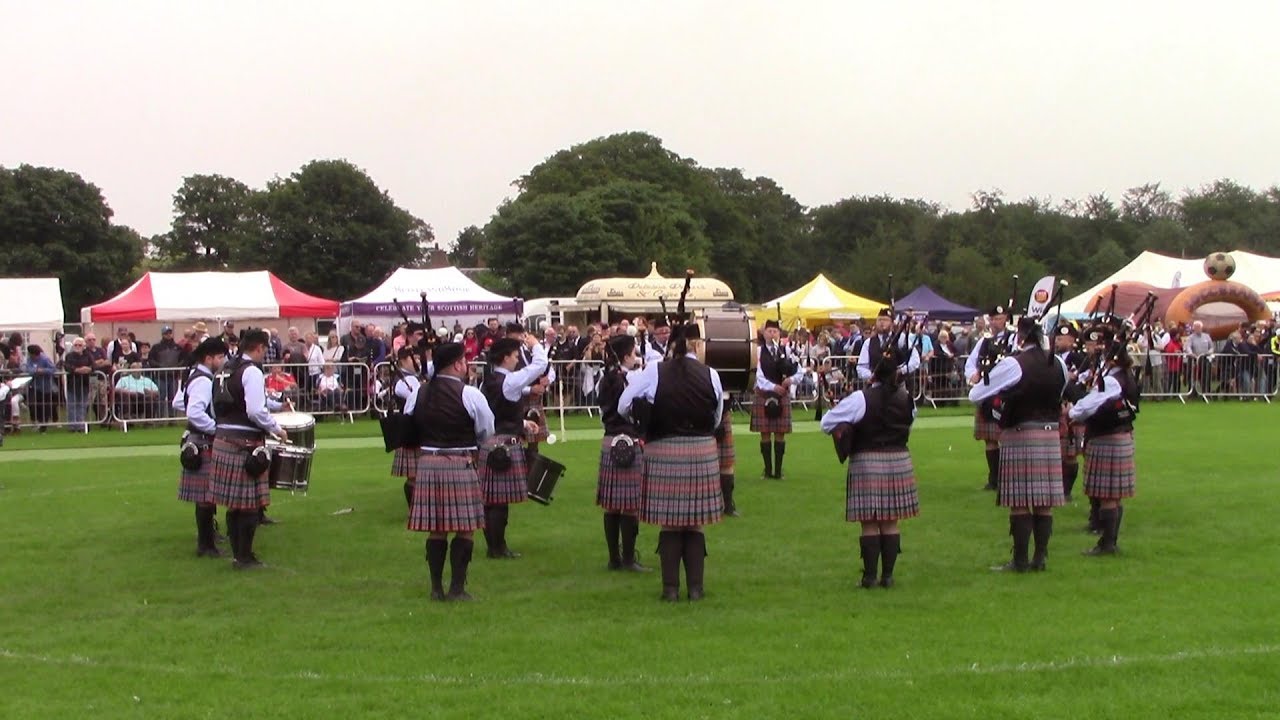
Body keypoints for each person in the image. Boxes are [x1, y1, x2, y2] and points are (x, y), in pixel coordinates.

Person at [619, 318, 723, 602]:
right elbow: (716, 417)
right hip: (701, 450)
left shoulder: (655, 370)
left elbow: (624, 404)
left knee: (670, 522)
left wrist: (643, 420)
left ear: (671, 345)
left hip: (663, 448)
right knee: (695, 522)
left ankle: (670, 590)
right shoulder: (711, 374)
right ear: (694, 345)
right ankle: (696, 590)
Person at [968, 316, 1067, 573]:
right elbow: (1061, 393)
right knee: (1044, 501)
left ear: (1020, 337)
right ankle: (1040, 558)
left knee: (1020, 500)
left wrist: (1001, 395)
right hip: (1050, 434)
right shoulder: (1059, 364)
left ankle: (1020, 561)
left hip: (1021, 433)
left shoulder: (1014, 363)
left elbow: (975, 394)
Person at [821, 341, 918, 589]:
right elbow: (908, 425)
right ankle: (888, 576)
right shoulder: (908, 399)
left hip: (867, 461)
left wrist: (848, 423)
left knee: (870, 521)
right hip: (899, 459)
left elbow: (826, 423)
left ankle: (870, 578)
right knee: (891, 520)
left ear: (873, 372)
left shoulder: (860, 398)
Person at [403, 342, 495, 601]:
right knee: (465, 528)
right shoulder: (470, 394)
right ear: (457, 364)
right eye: (464, 361)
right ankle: (456, 589)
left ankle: (436, 588)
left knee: (436, 528)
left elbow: (407, 423)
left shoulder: (418, 393)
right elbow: (487, 430)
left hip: (428, 463)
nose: (466, 366)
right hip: (460, 461)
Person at [209, 329, 287, 569]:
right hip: (244, 443)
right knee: (249, 505)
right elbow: (255, 410)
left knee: (234, 504)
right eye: (265, 350)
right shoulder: (251, 371)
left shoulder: (224, 368)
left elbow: (214, 406)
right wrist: (276, 428)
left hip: (222, 438)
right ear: (259, 348)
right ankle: (244, 557)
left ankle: (238, 555)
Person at [478, 334, 547, 559]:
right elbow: (540, 365)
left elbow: (494, 412)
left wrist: (523, 423)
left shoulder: (487, 381)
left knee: (491, 501)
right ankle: (497, 548)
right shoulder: (509, 380)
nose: (518, 360)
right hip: (506, 445)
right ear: (506, 357)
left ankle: (495, 546)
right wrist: (535, 345)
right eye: (516, 356)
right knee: (499, 502)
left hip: (489, 442)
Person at [1070, 331, 1139, 556]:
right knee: (1114, 496)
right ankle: (1110, 541)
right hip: (1122, 435)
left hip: (1106, 437)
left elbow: (1087, 406)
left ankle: (1107, 544)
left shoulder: (1110, 380)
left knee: (1108, 496)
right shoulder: (1127, 375)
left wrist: (1071, 412)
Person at [594, 334, 651, 572]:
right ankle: (628, 559)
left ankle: (614, 559)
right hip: (627, 439)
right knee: (629, 505)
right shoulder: (627, 380)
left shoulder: (605, 378)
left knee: (611, 505)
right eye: (634, 352)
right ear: (626, 355)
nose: (636, 357)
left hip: (609, 440)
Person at [173, 338, 229, 558]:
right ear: (209, 358)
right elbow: (194, 412)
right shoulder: (203, 380)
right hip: (203, 439)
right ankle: (205, 546)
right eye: (220, 357)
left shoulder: (194, 375)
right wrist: (216, 428)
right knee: (205, 497)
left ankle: (207, 541)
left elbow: (179, 402)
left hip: (197, 438)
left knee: (205, 496)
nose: (223, 361)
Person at [965, 306, 1014, 491]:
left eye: (999, 318)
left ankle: (1008, 477)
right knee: (989, 438)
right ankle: (994, 479)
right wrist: (973, 374)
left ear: (1006, 319)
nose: (995, 322)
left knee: (1007, 437)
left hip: (1006, 393)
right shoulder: (984, 341)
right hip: (987, 392)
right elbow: (971, 362)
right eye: (993, 319)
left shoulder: (1013, 339)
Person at [752, 319, 804, 479]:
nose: (772, 334)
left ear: (779, 334)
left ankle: (778, 471)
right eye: (769, 331)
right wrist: (773, 387)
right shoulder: (758, 352)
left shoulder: (787, 351)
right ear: (764, 333)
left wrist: (790, 380)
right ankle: (768, 471)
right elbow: (758, 375)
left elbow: (799, 371)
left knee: (780, 433)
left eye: (775, 331)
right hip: (764, 394)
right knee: (765, 433)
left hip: (782, 396)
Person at [1053, 324, 1087, 501]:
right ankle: (1057, 489)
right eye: (1056, 338)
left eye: (1061, 339)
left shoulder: (1081, 359)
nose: (1057, 342)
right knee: (1058, 452)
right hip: (1056, 408)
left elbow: (1084, 386)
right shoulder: (1052, 359)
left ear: (1071, 340)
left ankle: (1066, 491)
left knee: (1070, 454)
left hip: (1073, 407)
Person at [390, 347, 422, 507]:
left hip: (416, 428)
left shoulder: (412, 378)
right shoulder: (404, 381)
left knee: (418, 474)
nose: (417, 361)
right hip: (411, 429)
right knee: (414, 475)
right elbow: (418, 401)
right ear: (403, 360)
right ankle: (414, 508)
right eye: (413, 358)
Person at [21, 345, 59, 431]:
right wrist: (35, 371)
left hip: (46, 387)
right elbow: (27, 369)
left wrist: (43, 370)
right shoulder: (29, 359)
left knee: (45, 406)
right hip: (34, 385)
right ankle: (36, 421)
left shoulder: (45, 359)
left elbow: (53, 369)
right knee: (33, 404)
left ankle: (43, 425)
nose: (30, 356)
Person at [63, 337, 93, 433]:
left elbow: (93, 365)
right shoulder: (69, 356)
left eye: (80, 345)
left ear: (84, 346)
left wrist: (89, 369)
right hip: (72, 384)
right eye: (75, 345)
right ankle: (72, 426)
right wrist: (77, 370)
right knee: (72, 405)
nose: (77, 347)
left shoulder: (88, 355)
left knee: (82, 405)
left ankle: (80, 425)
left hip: (84, 384)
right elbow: (67, 366)